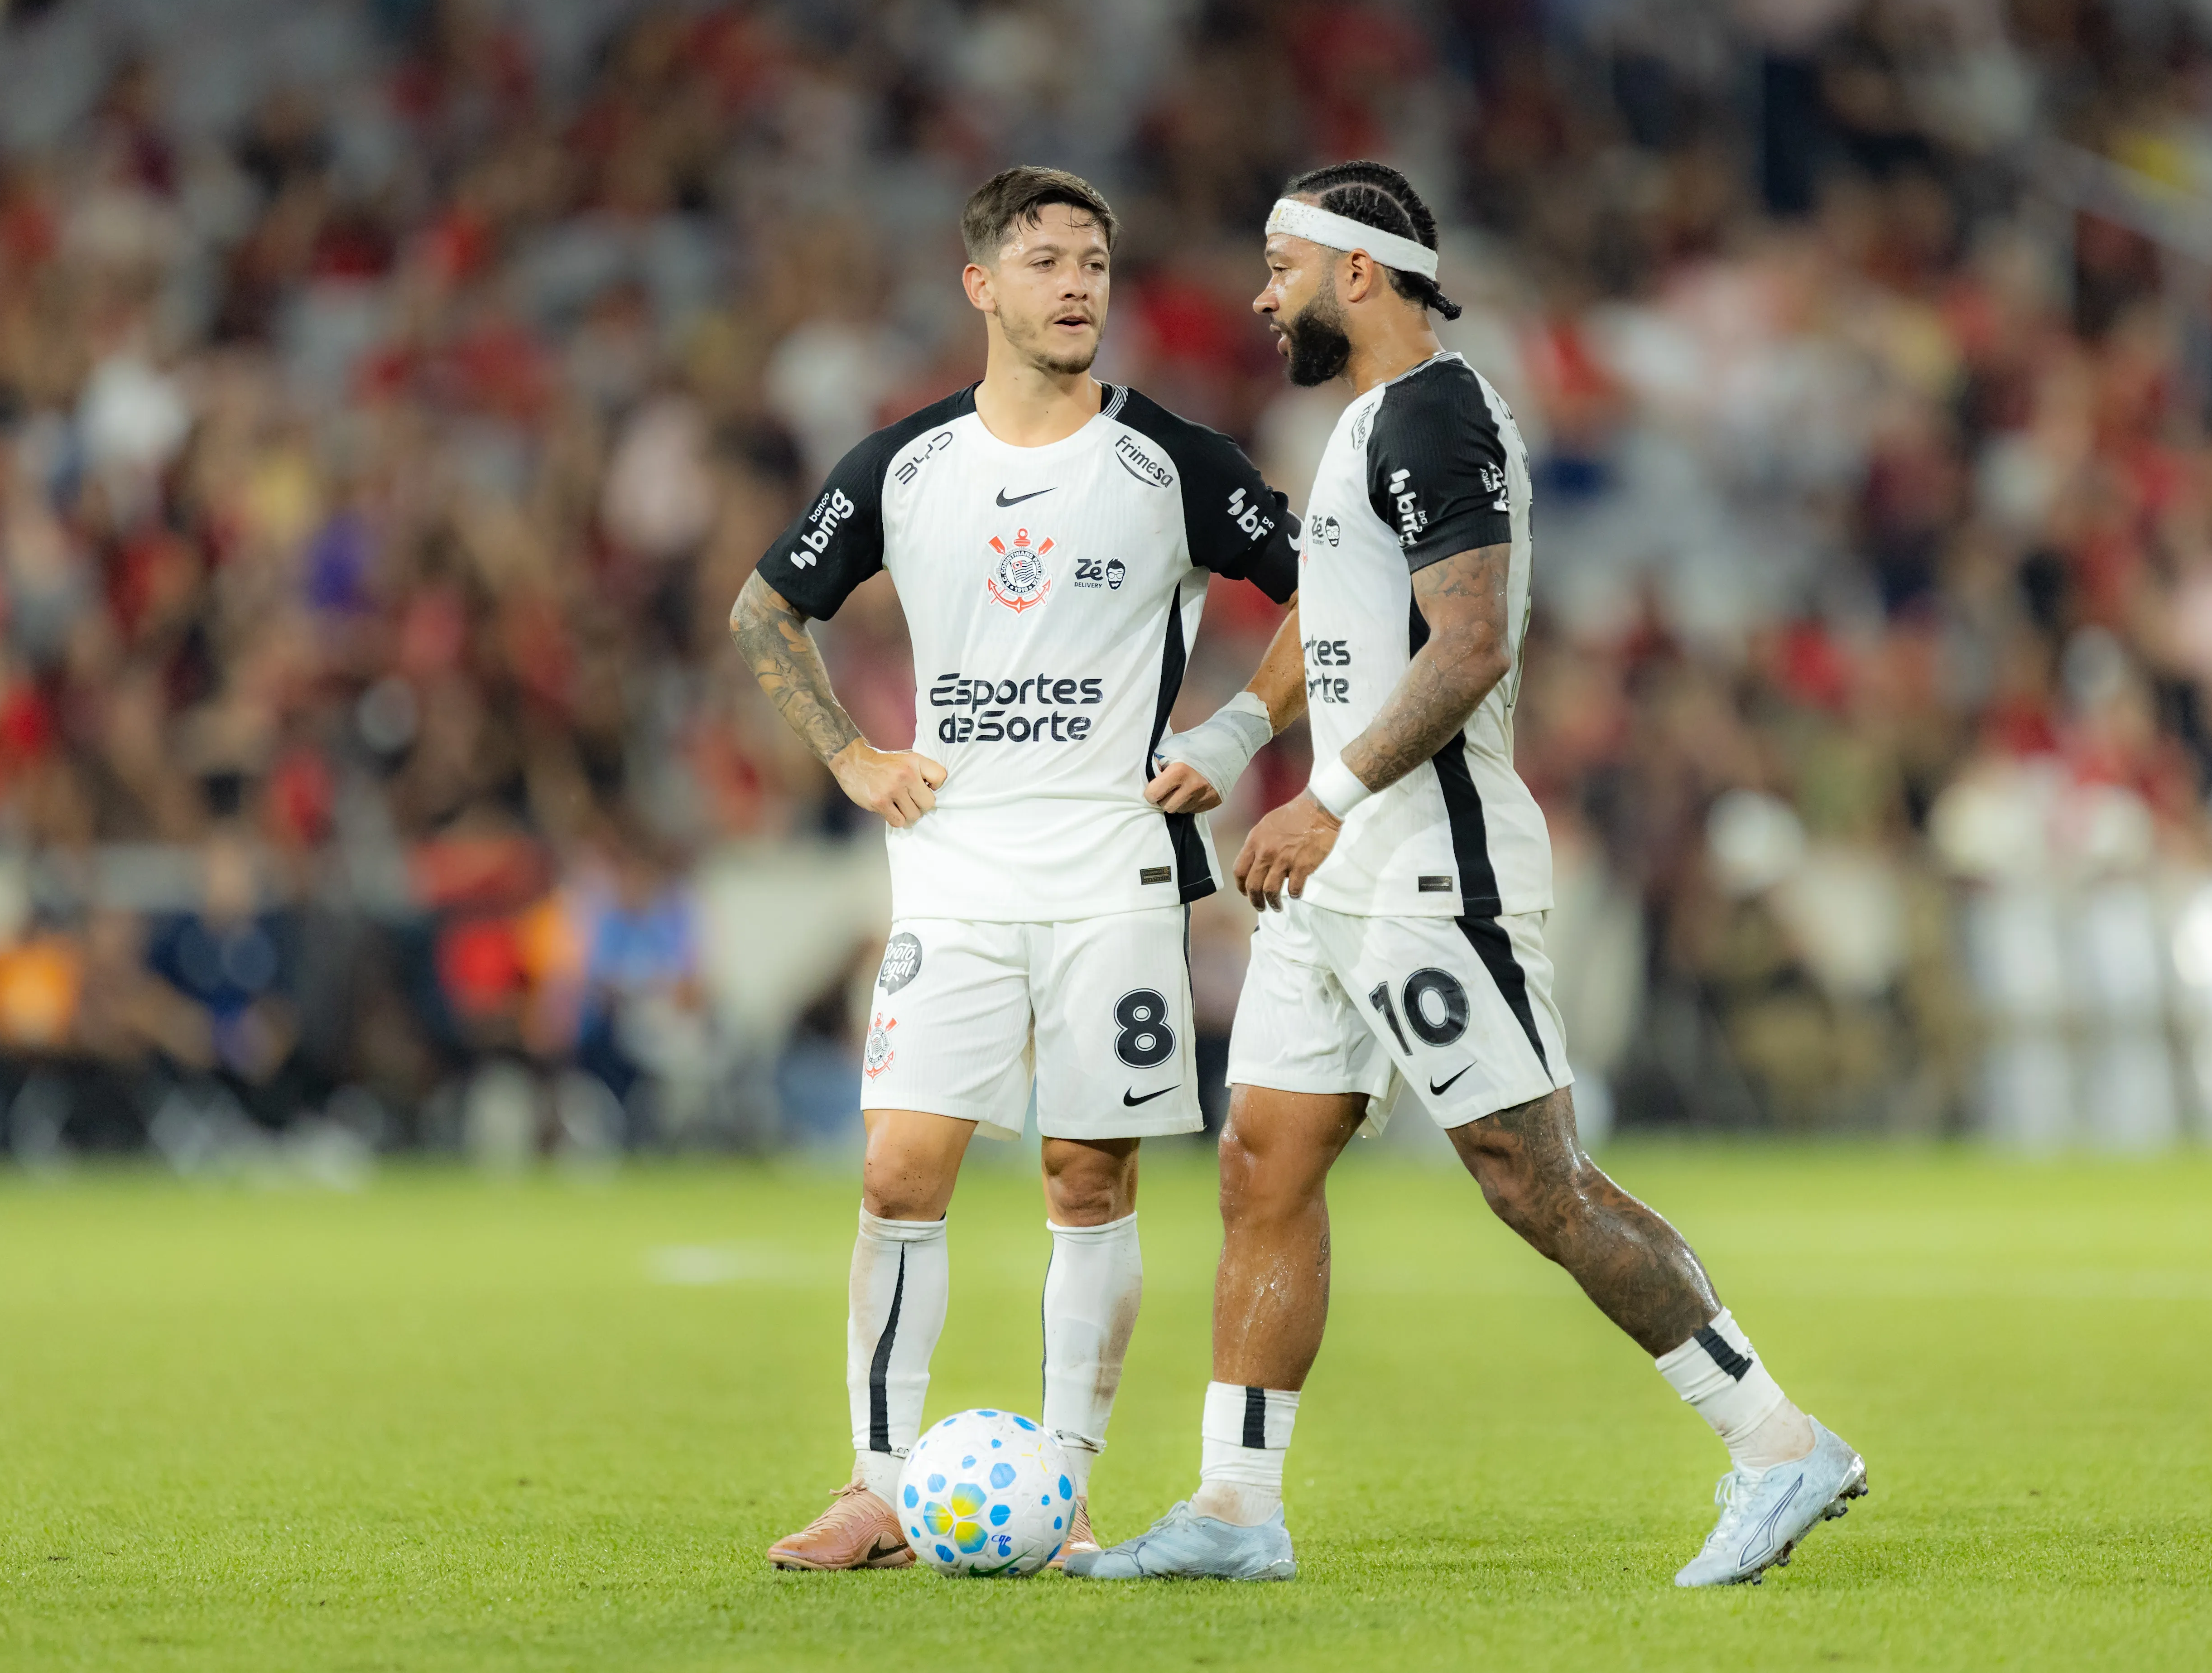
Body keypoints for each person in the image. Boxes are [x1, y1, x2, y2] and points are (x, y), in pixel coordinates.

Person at [1068, 162, 1867, 1587]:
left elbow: (1471, 639)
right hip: (1342, 870)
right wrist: (1243, 727)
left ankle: (1775, 1441)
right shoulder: (1372, 421)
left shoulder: (1435, 414)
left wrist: (1319, 798)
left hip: (1427, 864)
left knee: (1529, 1175)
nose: (1260, 295)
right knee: (1261, 1160)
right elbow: (1341, 606)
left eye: (1279, 266)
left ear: (1355, 272)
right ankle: (1236, 1509)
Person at [728, 166, 1299, 1571]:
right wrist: (852, 756)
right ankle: (876, 1485)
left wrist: (1232, 726)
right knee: (897, 1167)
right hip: (955, 871)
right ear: (980, 285)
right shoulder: (906, 466)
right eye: (1045, 261)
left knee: (1084, 1174)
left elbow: (1327, 596)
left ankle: (1063, 1484)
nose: (1076, 286)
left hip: (1115, 869)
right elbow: (764, 611)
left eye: (1095, 263)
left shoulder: (1169, 461)